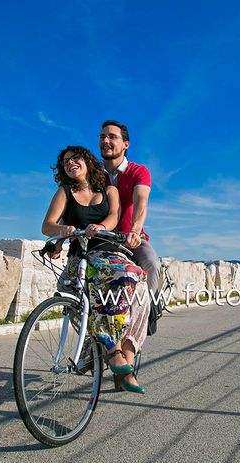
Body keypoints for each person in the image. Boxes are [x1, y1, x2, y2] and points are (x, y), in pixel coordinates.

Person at [42, 146, 149, 394]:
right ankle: (112, 351)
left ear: (88, 161)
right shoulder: (64, 192)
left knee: (134, 279)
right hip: (80, 256)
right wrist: (63, 230)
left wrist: (100, 227)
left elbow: (113, 216)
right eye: (65, 162)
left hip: (107, 253)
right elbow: (47, 225)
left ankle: (123, 353)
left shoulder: (108, 190)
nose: (70, 163)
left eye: (75, 158)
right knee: (81, 292)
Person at [98, 120, 163, 329]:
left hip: (130, 237)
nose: (106, 141)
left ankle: (150, 310)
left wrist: (135, 231)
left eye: (112, 137)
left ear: (126, 144)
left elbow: (140, 202)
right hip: (100, 238)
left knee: (152, 265)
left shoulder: (138, 171)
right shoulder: (93, 173)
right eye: (102, 137)